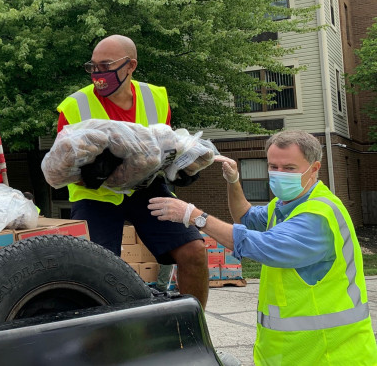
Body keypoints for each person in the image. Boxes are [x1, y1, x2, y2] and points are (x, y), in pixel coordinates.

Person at [147, 130, 377, 364]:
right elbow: (245, 216)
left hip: (329, 354)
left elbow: (261, 245)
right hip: (290, 353)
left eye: (289, 168)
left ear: (315, 168)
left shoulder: (317, 217)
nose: (278, 174)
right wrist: (234, 181)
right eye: (272, 166)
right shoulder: (285, 205)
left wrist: (195, 216)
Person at [57, 34, 209, 307]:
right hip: (96, 195)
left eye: (105, 66)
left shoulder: (156, 98)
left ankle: (193, 330)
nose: (98, 74)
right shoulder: (74, 106)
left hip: (145, 188)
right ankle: (101, 338)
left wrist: (182, 167)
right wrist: (87, 171)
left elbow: (163, 145)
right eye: (92, 67)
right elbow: (59, 168)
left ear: (131, 65)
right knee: (98, 270)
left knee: (194, 251)